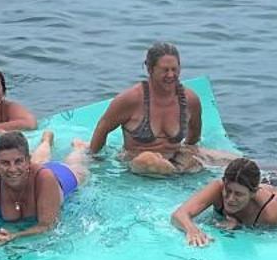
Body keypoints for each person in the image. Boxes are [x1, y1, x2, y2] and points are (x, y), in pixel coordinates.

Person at [85, 42, 230, 176]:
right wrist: (95, 161)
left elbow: (193, 137)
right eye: (165, 70)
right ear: (150, 69)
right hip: (139, 162)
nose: (171, 75)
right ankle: (177, 175)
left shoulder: (190, 100)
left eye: (175, 69)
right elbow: (102, 128)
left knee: (235, 162)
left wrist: (192, 155)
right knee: (149, 160)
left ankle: (179, 172)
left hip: (174, 158)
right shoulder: (130, 99)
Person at [0, 130, 94, 246]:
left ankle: (78, 148)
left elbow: (48, 225)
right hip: (32, 172)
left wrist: (15, 236)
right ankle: (46, 140)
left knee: (76, 165)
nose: (12, 169)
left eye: (19, 161)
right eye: (4, 163)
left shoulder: (45, 178)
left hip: (63, 177)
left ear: (28, 160)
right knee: (40, 162)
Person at [172, 155, 277, 246]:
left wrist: (239, 225)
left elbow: (267, 237)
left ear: (253, 193)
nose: (230, 199)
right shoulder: (219, 187)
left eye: (238, 195)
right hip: (264, 182)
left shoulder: (269, 214)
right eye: (228, 191)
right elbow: (179, 214)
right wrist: (191, 229)